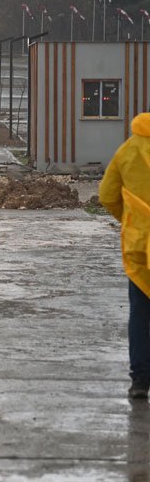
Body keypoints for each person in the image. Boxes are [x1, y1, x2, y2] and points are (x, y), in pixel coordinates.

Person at [99, 112, 150, 398]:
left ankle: (140, 381)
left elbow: (107, 195)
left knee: (140, 315)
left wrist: (129, 220)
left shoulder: (127, 151)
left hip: (139, 247)